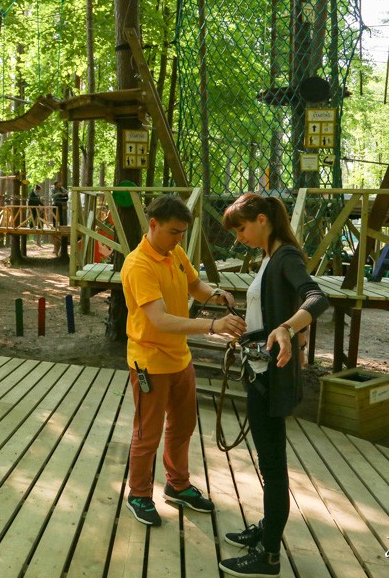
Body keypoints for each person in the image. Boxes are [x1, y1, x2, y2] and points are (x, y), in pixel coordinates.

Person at [218, 193, 329, 577]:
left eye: (242, 229)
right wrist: (253, 330)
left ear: (262, 220)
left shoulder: (286, 257)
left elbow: (316, 298)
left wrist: (286, 328)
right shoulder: (270, 257)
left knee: (273, 466)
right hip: (259, 371)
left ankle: (269, 555)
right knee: (268, 462)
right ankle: (268, 527)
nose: (240, 238)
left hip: (270, 378)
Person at [121, 194, 246, 527]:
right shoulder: (138, 265)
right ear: (153, 225)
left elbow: (194, 284)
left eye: (182, 233)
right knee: (147, 433)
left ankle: (177, 485)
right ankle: (138, 494)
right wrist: (213, 326)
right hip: (150, 361)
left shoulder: (173, 252)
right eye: (174, 232)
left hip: (179, 358)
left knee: (183, 425)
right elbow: (160, 320)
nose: (179, 239)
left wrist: (215, 294)